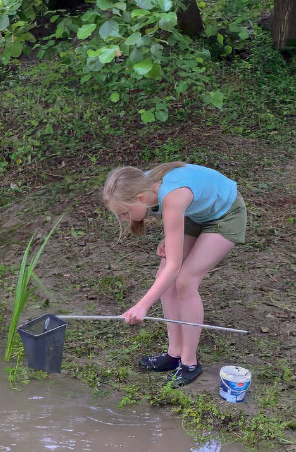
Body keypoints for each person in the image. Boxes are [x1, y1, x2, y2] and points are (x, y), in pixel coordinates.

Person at [101, 162, 247, 387]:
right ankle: (174, 353)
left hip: (225, 215)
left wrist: (142, 305)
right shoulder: (143, 182)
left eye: (123, 213)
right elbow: (174, 227)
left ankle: (189, 363)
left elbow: (175, 266)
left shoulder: (171, 197)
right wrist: (170, 240)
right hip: (197, 213)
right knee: (165, 277)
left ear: (140, 198)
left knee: (184, 281)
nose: (123, 219)